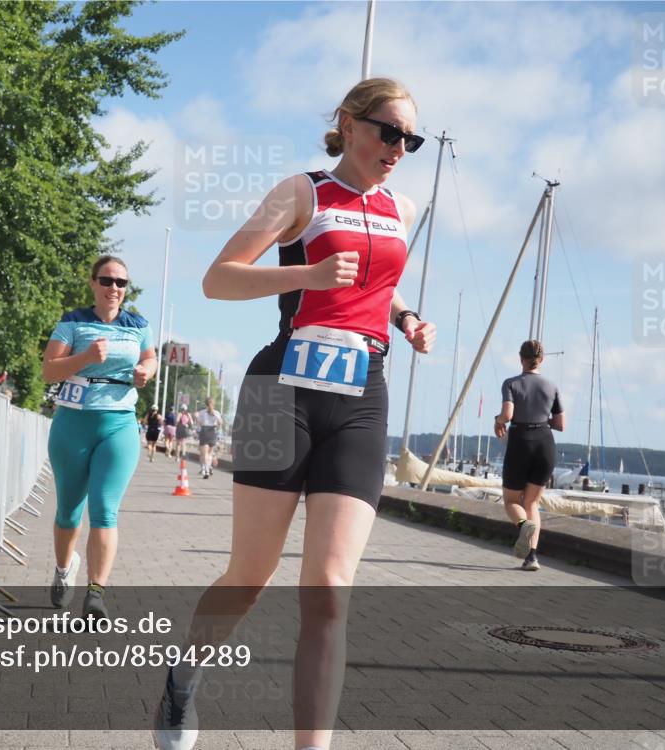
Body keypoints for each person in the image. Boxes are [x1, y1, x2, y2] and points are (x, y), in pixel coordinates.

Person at [153, 78, 436, 750]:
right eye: (388, 132)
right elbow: (218, 278)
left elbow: (381, 283)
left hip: (361, 394)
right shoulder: (301, 192)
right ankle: (183, 679)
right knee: (251, 576)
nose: (399, 148)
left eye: (411, 139)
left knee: (330, 592)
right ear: (349, 122)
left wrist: (406, 318)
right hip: (283, 390)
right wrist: (303, 277)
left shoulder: (405, 205)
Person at [42, 255, 157, 619]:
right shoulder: (73, 322)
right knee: (68, 512)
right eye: (107, 281)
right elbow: (48, 370)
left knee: (105, 509)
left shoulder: (137, 325)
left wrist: (145, 372)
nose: (114, 289)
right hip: (73, 423)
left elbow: (151, 358)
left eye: (121, 283)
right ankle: (63, 570)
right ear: (93, 283)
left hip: (119, 423)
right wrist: (86, 357)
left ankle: (95, 593)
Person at [494, 339, 565, 572]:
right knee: (532, 502)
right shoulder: (552, 386)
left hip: (520, 443)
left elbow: (508, 413)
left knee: (512, 501)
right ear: (541, 359)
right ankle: (532, 557)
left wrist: (498, 421)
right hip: (545, 443)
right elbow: (560, 424)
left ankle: (523, 525)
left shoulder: (511, 383)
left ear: (520, 358)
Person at [195, 397, 222, 479]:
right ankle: (208, 468)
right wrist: (216, 422)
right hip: (212, 431)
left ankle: (206, 470)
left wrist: (197, 419)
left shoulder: (201, 412)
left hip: (204, 431)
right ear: (213, 404)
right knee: (210, 453)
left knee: (204, 454)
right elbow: (220, 423)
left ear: (205, 403)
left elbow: (199, 423)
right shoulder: (216, 412)